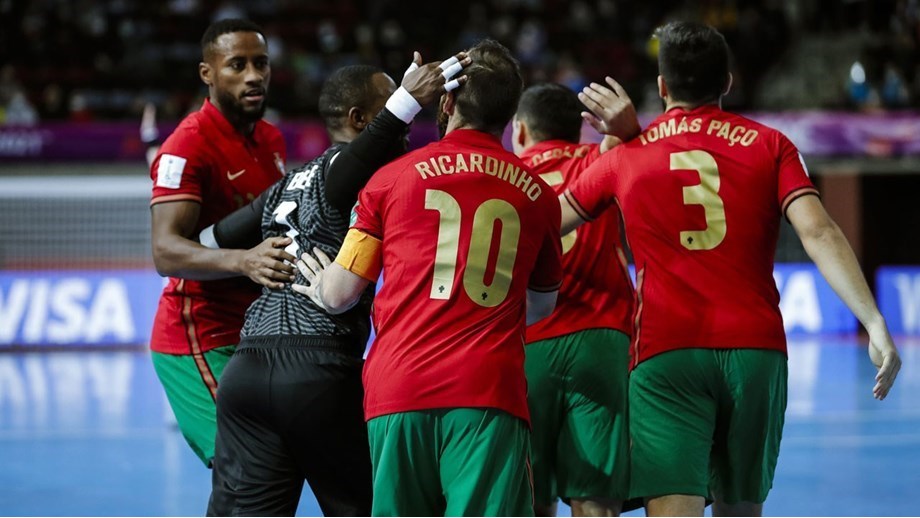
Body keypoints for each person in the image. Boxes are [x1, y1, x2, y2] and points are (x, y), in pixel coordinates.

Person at [561, 21, 902, 517]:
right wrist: (873, 323)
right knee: (741, 510)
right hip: (755, 353)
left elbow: (545, 220)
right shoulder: (771, 144)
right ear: (727, 82)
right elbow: (819, 232)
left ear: (661, 86)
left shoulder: (629, 153)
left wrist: (618, 144)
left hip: (666, 352)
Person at [295, 39, 563, 517]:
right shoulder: (539, 195)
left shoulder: (388, 180)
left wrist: (317, 282)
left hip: (398, 393)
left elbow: (338, 295)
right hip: (489, 395)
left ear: (447, 102)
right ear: (508, 113)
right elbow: (541, 308)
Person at [204, 55, 469, 517]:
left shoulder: (283, 186)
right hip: (317, 369)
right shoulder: (345, 171)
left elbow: (207, 241)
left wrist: (241, 260)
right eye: (390, 110)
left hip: (245, 373)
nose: (407, 127)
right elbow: (363, 154)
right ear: (360, 120)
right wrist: (408, 100)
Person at [148, 18, 296, 467]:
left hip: (255, 329)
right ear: (207, 74)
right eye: (237, 65)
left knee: (274, 468)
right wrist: (245, 262)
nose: (254, 75)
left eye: (261, 63)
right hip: (199, 333)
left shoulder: (269, 137)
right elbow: (165, 251)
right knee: (248, 466)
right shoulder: (186, 146)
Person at [511, 83, 633, 517]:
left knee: (531, 495)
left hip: (525, 342)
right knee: (596, 500)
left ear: (520, 130)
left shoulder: (505, 173)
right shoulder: (598, 159)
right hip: (600, 338)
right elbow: (624, 136)